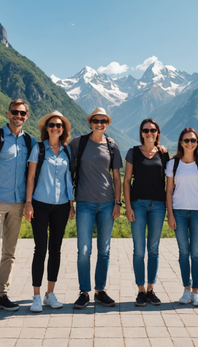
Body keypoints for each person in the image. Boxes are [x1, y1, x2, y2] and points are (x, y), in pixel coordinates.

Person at [0, 99, 35, 318]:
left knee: (9, 253)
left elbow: (30, 175)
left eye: (22, 113)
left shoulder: (29, 141)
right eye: (15, 112)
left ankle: (1, 295)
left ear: (27, 116)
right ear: (8, 113)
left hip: (19, 203)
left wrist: (28, 202)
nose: (18, 116)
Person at [69, 107, 123, 309]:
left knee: (104, 249)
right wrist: (70, 203)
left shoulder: (112, 146)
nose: (99, 124)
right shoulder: (78, 143)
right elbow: (69, 172)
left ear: (107, 123)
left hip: (107, 204)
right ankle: (84, 292)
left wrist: (118, 202)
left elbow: (117, 177)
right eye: (96, 120)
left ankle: (100, 291)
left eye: (103, 121)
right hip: (84, 203)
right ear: (90, 122)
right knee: (83, 250)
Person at [24, 111, 74, 313]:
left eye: (59, 126)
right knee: (40, 249)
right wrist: (28, 203)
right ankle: (36, 295)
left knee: (56, 249)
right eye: (52, 125)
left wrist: (71, 204)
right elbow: (31, 177)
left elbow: (68, 179)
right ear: (46, 128)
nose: (55, 128)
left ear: (63, 130)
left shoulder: (67, 151)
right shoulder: (38, 149)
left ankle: (49, 294)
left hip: (61, 205)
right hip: (40, 204)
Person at [124, 118, 169, 307]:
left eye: (153, 130)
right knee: (139, 250)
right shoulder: (133, 152)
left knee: (154, 249)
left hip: (158, 205)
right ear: (141, 133)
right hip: (138, 204)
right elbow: (126, 180)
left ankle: (151, 289)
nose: (149, 133)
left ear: (157, 132)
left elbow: (170, 183)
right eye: (146, 130)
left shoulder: (164, 155)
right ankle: (140, 290)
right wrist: (128, 206)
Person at [165, 128, 198, 307]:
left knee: (196, 253)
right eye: (186, 140)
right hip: (179, 212)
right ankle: (186, 289)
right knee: (183, 253)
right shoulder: (172, 164)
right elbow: (168, 191)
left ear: (197, 142)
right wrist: (170, 215)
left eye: (193, 140)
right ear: (180, 143)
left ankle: (196, 292)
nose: (189, 143)